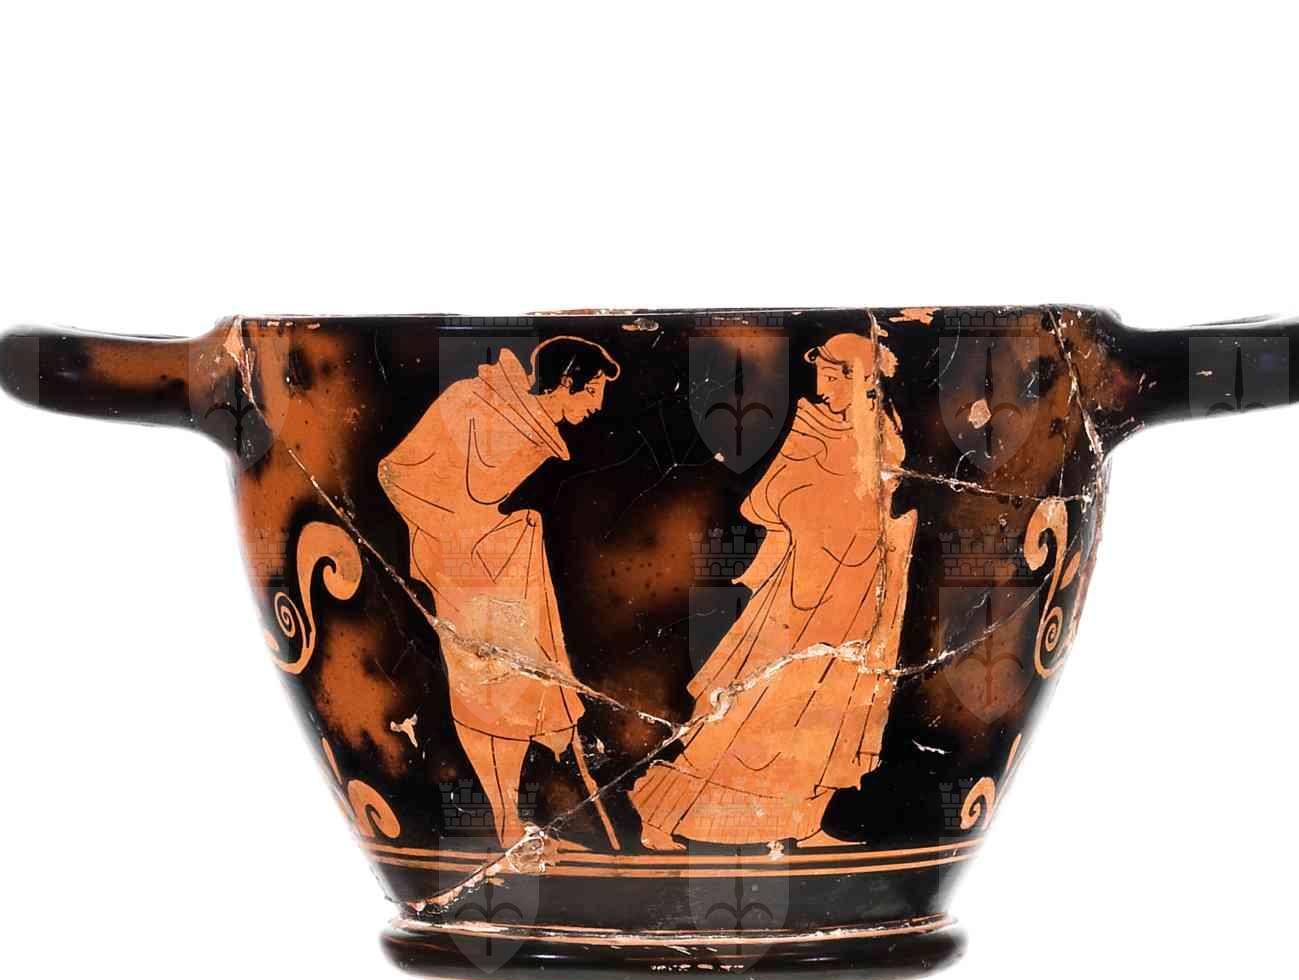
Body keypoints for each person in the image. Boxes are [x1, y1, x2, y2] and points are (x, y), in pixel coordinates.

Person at [630, 332, 917, 849]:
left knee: (833, 707)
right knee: (752, 707)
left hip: (858, 587)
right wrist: (822, 505)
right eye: (821, 374)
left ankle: (804, 823)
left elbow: (887, 492)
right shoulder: (811, 428)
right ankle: (659, 818)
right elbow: (766, 501)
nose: (821, 387)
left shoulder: (883, 430)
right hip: (803, 588)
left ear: (859, 378)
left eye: (832, 376)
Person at [377, 337, 620, 846]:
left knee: (520, 689)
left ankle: (516, 820)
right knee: (484, 690)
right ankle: (506, 819)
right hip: (463, 570)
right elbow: (395, 472)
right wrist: (451, 536)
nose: (598, 405)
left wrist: (488, 533)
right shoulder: (470, 400)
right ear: (567, 380)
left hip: (502, 562)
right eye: (593, 389)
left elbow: (479, 501)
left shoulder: (533, 427)